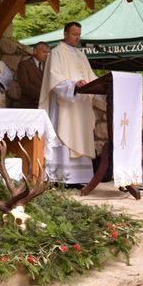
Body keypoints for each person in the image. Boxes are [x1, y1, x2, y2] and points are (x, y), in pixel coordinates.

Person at [39, 22, 97, 186]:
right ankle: (61, 177)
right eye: (74, 34)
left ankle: (79, 178)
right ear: (65, 34)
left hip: (81, 106)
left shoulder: (81, 55)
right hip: (64, 103)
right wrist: (73, 84)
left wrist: (100, 87)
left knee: (80, 134)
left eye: (79, 34)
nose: (77, 37)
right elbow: (54, 79)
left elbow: (92, 78)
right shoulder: (56, 53)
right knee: (64, 133)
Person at [17, 41, 50, 108]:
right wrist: (42, 95)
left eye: (48, 52)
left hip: (45, 104)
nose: (46, 55)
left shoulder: (48, 66)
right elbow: (24, 84)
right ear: (35, 51)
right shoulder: (24, 65)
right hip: (29, 104)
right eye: (44, 52)